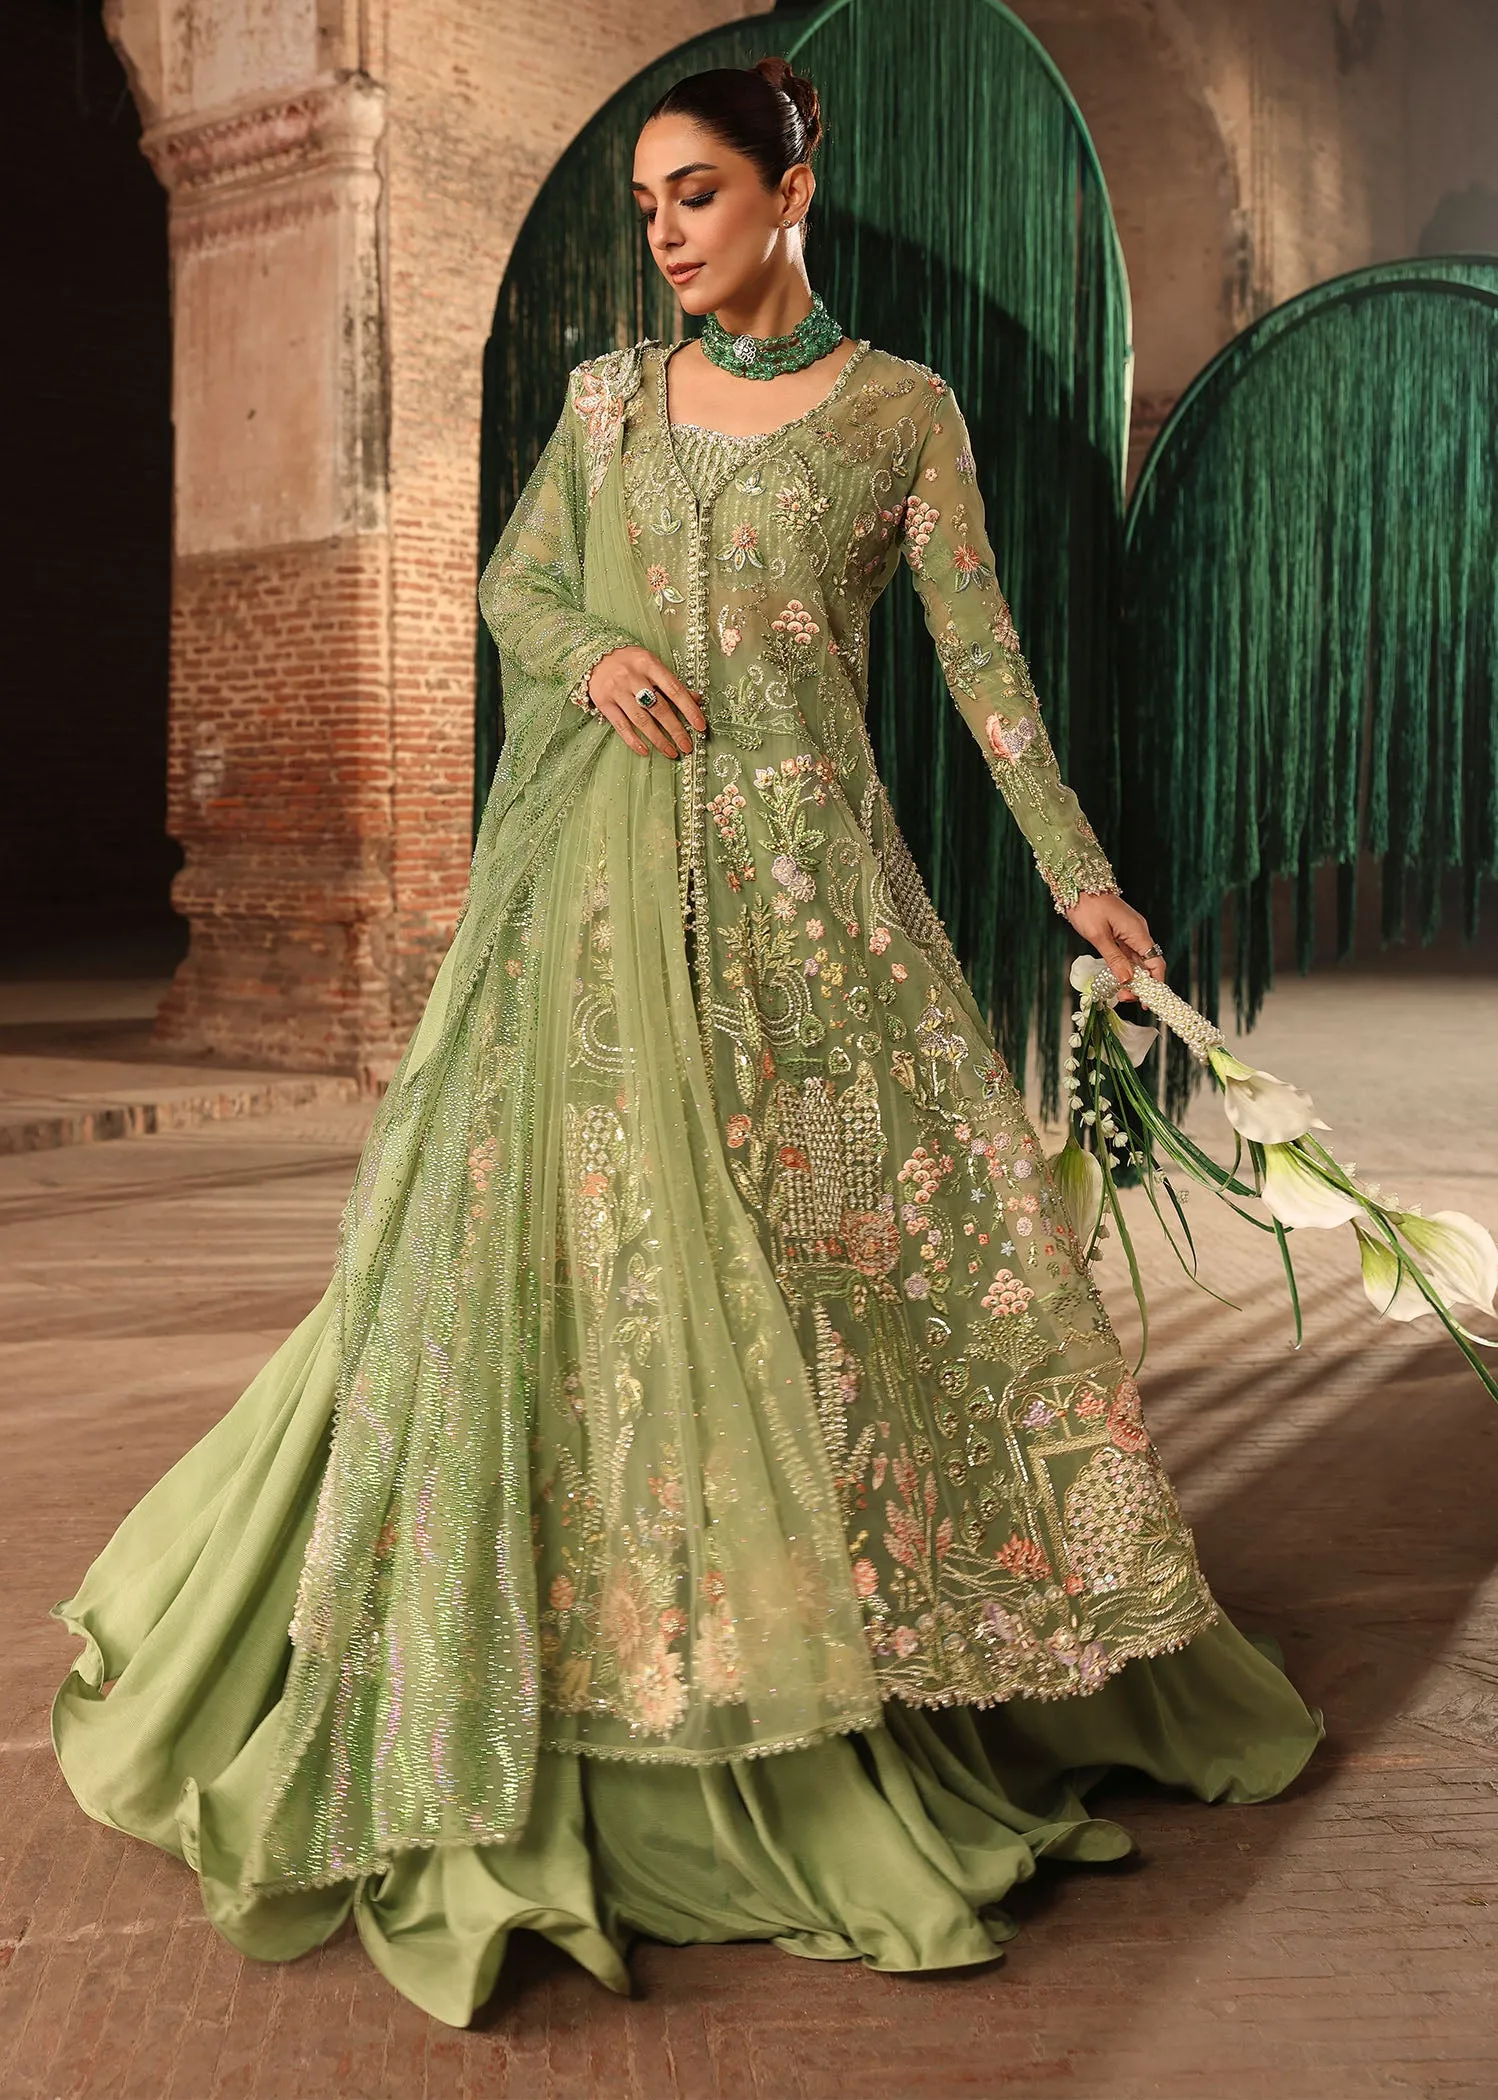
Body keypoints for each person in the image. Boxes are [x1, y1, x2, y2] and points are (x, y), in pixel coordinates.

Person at [51, 58, 1320, 2028]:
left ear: (790, 190)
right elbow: (514, 586)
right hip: (604, 904)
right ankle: (610, 1678)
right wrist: (594, 652)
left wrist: (1075, 876)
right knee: (604, 1273)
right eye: (646, 202)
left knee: (834, 1285)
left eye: (697, 194)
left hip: (813, 916)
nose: (663, 232)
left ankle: (832, 1659)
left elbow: (983, 673)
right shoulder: (609, 405)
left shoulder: (899, 416)